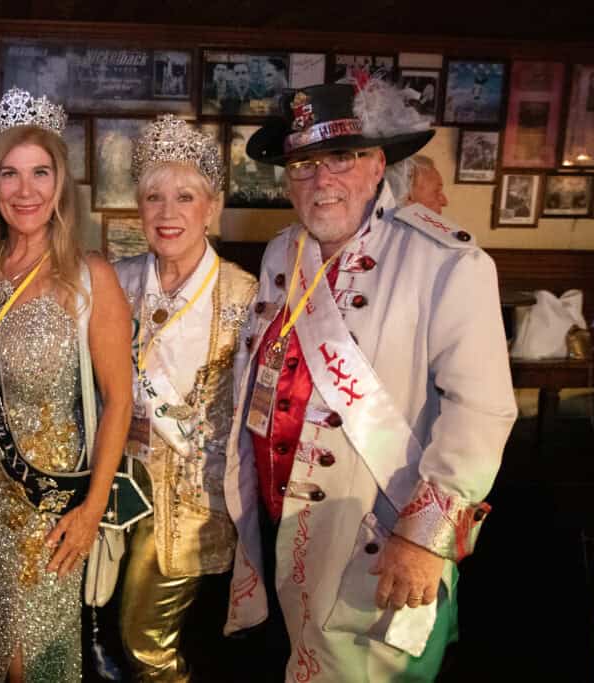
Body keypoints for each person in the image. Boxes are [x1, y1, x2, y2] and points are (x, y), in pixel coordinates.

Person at [224, 81, 517, 681]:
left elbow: (482, 411)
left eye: (342, 157)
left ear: (379, 162)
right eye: (304, 164)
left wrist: (423, 539)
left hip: (381, 532)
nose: (321, 179)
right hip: (292, 529)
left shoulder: (447, 263)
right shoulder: (283, 252)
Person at [0, 87, 132, 682]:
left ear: (61, 183)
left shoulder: (90, 276)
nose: (26, 191)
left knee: (32, 662)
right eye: (10, 173)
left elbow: (119, 400)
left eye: (40, 173)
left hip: (44, 504)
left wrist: (92, 508)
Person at [113, 115, 257, 681]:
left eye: (185, 196)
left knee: (145, 639)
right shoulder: (113, 280)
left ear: (212, 207)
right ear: (138, 208)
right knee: (104, 633)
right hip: (112, 489)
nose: (168, 213)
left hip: (193, 502)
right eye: (154, 197)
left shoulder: (245, 296)